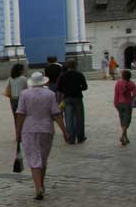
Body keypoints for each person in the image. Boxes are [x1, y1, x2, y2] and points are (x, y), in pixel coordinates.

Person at [15, 71, 70, 201]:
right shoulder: (50, 94)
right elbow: (56, 114)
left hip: (29, 129)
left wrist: (17, 132)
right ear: (44, 82)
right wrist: (64, 131)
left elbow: (20, 114)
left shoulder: (25, 94)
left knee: (34, 159)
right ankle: (42, 184)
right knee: (43, 158)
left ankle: (38, 188)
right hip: (47, 129)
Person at [57, 59, 88, 143]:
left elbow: (58, 88)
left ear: (67, 65)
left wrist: (66, 90)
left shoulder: (63, 75)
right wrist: (78, 88)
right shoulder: (79, 74)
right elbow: (85, 87)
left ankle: (71, 138)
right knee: (79, 117)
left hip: (67, 98)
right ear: (75, 65)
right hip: (77, 97)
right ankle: (80, 137)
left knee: (68, 118)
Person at [114, 69, 136, 146]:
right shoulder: (132, 84)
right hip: (127, 104)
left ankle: (125, 138)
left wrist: (115, 103)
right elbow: (134, 95)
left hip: (119, 103)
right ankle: (122, 136)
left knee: (122, 120)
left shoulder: (118, 83)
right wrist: (131, 97)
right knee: (127, 121)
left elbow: (116, 94)